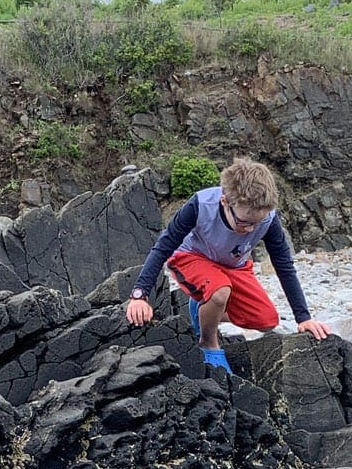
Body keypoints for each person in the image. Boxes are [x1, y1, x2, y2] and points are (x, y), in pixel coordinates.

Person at [126, 157, 330, 373]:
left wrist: (303, 318)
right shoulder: (201, 205)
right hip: (191, 257)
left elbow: (284, 265)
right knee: (219, 291)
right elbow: (163, 247)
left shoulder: (268, 218)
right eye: (244, 222)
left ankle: (204, 308)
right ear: (225, 202)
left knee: (267, 320)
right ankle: (208, 343)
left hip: (234, 265)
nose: (250, 230)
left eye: (257, 223)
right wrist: (140, 295)